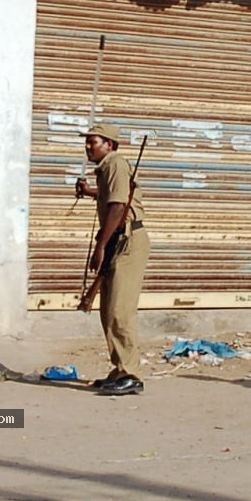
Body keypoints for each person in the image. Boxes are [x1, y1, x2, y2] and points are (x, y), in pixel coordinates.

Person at [75, 123, 149, 395]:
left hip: (127, 241)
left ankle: (131, 374)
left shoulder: (115, 164)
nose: (88, 146)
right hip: (118, 240)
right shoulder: (106, 168)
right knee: (108, 310)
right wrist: (90, 192)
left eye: (93, 142)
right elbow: (112, 196)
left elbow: (118, 207)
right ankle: (119, 369)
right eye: (87, 142)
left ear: (109, 144)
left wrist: (101, 246)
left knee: (120, 310)